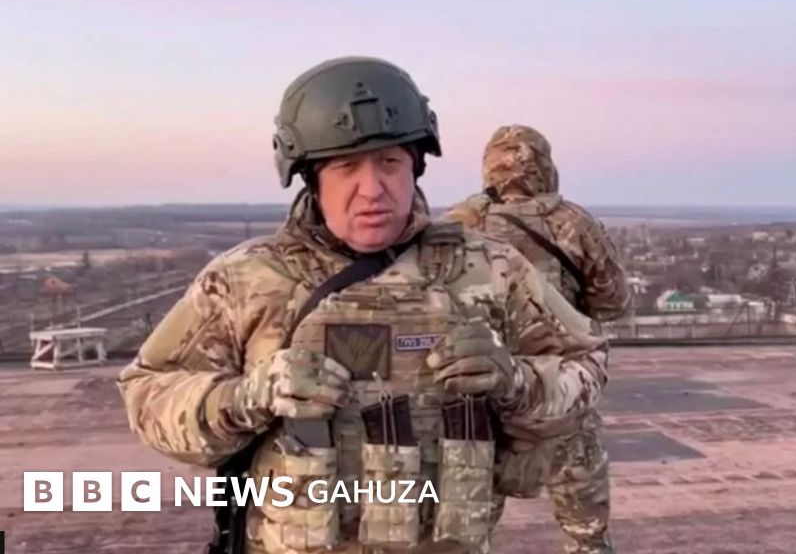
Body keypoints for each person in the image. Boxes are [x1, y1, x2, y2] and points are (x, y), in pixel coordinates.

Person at [116, 57, 609, 554]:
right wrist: (247, 398)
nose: (372, 189)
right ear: (311, 177)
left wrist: (515, 382)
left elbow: (586, 366)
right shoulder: (247, 279)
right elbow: (148, 396)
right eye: (346, 167)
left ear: (415, 166)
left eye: (390, 163)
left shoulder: (489, 269)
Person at [445, 125, 630, 554]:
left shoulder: (455, 224)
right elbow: (613, 302)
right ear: (545, 167)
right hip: (560, 392)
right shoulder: (573, 223)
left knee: (462, 537)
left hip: (481, 398)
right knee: (586, 535)